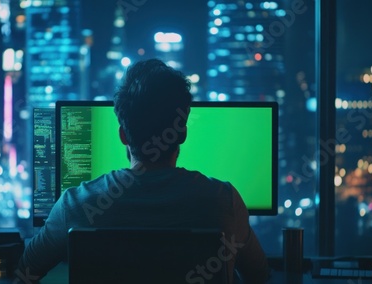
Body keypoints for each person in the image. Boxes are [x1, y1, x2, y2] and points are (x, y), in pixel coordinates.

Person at [16, 59, 269, 283]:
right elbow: (259, 276)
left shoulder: (75, 206)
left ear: (123, 135)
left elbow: (25, 272)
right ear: (182, 132)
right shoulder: (225, 202)